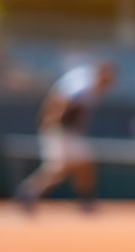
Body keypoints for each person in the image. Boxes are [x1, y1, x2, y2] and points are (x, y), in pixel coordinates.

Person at [14, 62, 117, 214]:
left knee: (83, 165)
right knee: (58, 168)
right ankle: (28, 192)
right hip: (59, 129)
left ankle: (86, 201)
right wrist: (53, 124)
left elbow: (81, 112)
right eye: (107, 79)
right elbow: (61, 99)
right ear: (101, 74)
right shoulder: (84, 84)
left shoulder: (91, 86)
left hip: (69, 131)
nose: (109, 83)